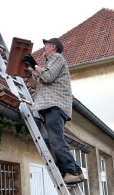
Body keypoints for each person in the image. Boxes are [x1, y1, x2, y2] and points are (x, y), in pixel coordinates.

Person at [21, 38, 84, 184]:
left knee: (56, 140)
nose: (44, 48)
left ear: (53, 47)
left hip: (55, 105)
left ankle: (71, 172)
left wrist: (34, 63)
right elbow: (36, 87)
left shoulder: (57, 58)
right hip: (52, 105)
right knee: (55, 139)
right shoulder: (50, 64)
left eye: (46, 45)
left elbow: (47, 76)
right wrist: (31, 74)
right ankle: (77, 172)